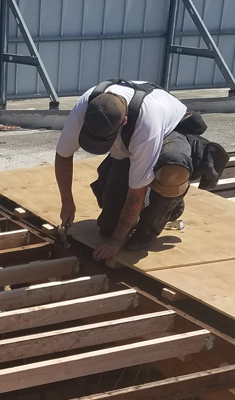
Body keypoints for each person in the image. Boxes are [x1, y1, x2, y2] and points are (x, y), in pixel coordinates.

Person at [55, 78, 224, 263]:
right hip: (130, 143)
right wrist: (67, 201)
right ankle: (146, 190)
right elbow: (63, 156)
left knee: (172, 171)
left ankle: (169, 205)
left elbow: (136, 193)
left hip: (169, 132)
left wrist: (116, 242)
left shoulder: (147, 125)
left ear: (124, 121)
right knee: (108, 228)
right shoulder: (85, 108)